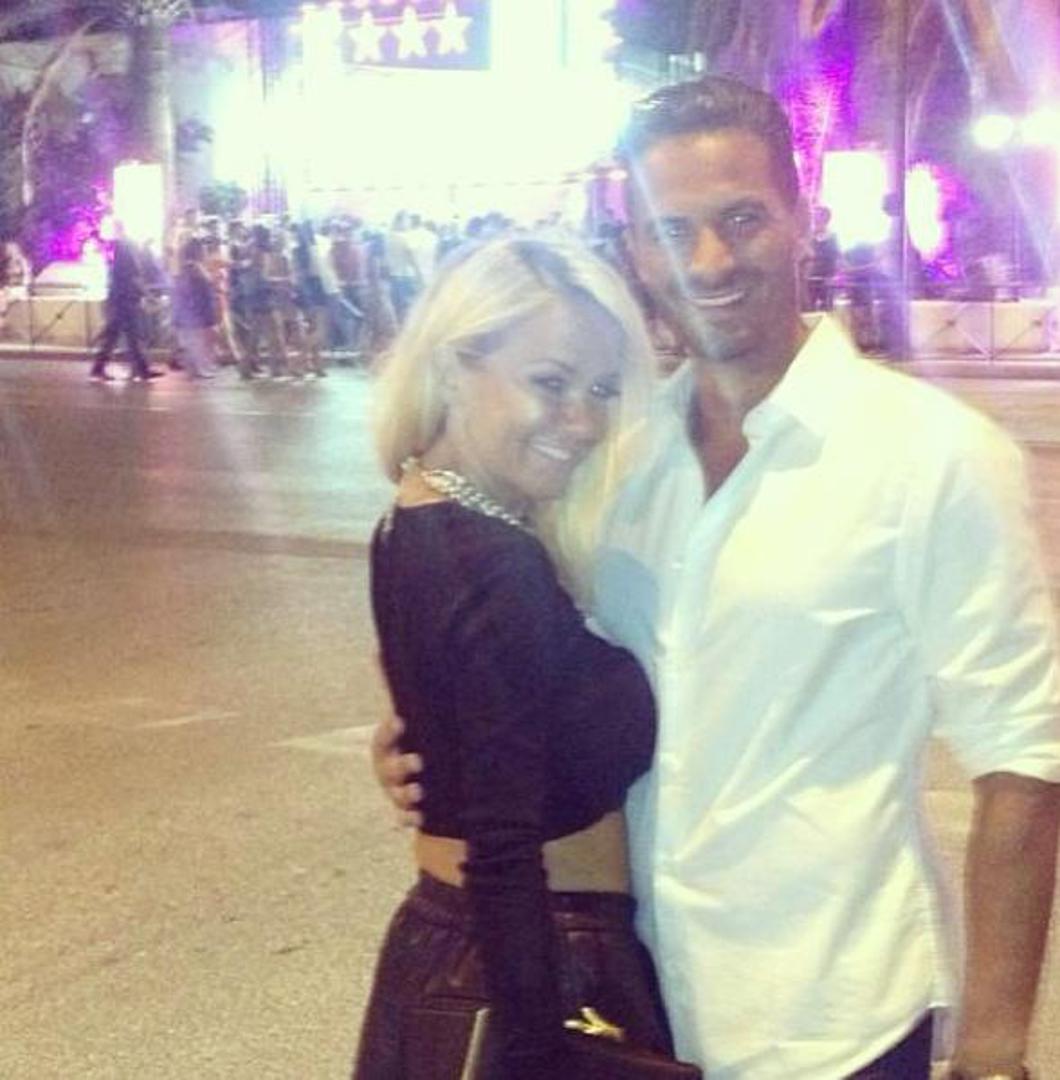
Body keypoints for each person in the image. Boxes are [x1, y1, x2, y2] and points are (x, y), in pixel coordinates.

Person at [376, 76, 1060, 1080]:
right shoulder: (615, 459)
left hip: (835, 1016)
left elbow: (1024, 757)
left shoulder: (933, 457)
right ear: (636, 249)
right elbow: (528, 657)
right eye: (672, 229)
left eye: (741, 219)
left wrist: (994, 1049)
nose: (710, 261)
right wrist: (432, 739)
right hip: (640, 1003)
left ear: (801, 218)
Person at [353, 233, 699, 1079]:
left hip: (458, 948)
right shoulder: (493, 560)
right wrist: (537, 1050)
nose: (582, 421)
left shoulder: (416, 518)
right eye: (549, 382)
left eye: (602, 389)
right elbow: (503, 846)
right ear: (453, 367)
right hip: (541, 961)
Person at [89, 227, 164, 382]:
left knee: (118, 336)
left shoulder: (119, 253)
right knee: (130, 335)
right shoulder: (128, 252)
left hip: (118, 299)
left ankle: (101, 369)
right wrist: (149, 296)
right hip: (127, 301)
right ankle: (140, 370)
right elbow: (134, 278)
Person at [171, 238, 219, 379]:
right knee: (197, 341)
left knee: (192, 341)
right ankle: (201, 368)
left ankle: (194, 369)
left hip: (189, 309)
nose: (205, 252)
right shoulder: (195, 267)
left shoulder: (185, 267)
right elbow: (203, 285)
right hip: (195, 310)